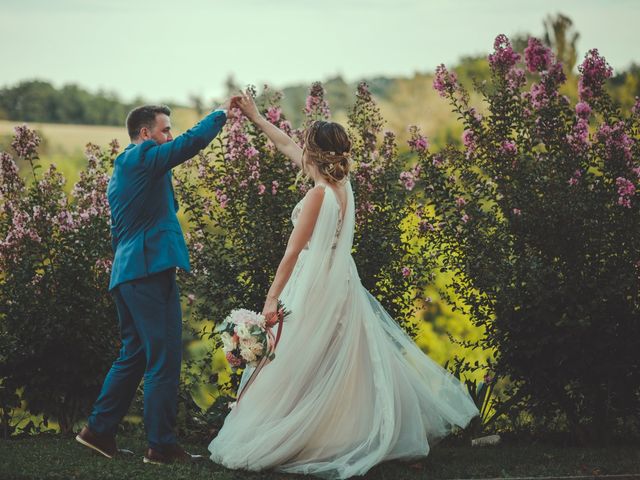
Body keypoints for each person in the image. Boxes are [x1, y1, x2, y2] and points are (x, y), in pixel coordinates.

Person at [208, 92, 479, 479]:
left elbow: (291, 252)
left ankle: (307, 436)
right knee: (339, 361)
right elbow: (285, 143)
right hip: (340, 281)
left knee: (303, 360)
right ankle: (341, 432)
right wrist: (254, 116)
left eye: (304, 147)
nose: (297, 149)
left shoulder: (319, 194)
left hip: (315, 284)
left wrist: (271, 300)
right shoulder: (342, 185)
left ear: (314, 155)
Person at [76, 100, 233, 465]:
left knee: (135, 354)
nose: (170, 135)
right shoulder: (143, 157)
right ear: (145, 134)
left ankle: (98, 431)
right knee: (164, 358)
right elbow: (188, 145)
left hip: (128, 274)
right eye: (165, 129)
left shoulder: (126, 170)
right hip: (148, 271)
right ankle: (161, 445)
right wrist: (222, 113)